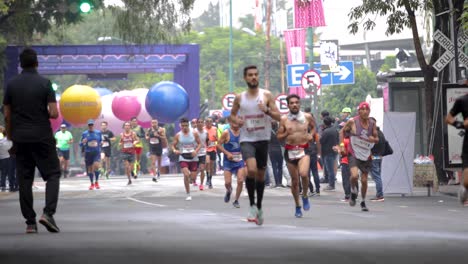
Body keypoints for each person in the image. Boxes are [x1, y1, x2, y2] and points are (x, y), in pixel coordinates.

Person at [3, 47, 61, 233]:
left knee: (25, 179)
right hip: (42, 136)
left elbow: (7, 115)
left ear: (20, 64)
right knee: (52, 175)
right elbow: (53, 112)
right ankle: (48, 214)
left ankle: (30, 223)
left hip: (20, 138)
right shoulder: (45, 83)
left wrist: (11, 139)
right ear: (37, 63)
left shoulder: (11, 85)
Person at [230, 65, 281, 225]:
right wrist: (236, 121)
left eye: (255, 75)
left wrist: (266, 110)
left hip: (263, 139)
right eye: (250, 75)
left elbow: (278, 116)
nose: (253, 77)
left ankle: (258, 206)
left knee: (260, 175)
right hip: (247, 139)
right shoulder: (240, 98)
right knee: (251, 169)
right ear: (245, 78)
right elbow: (231, 116)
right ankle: (252, 206)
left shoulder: (266, 95)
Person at [277, 94, 315, 218]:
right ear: (288, 105)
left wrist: (311, 135)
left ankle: (304, 195)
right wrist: (285, 133)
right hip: (290, 151)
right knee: (294, 181)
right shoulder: (283, 119)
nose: (294, 105)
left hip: (304, 149)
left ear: (299, 104)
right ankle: (297, 205)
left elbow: (313, 128)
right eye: (292, 103)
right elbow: (278, 137)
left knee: (304, 174)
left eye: (296, 102)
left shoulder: (307, 116)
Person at [340, 102, 379, 212]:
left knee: (364, 180)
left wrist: (373, 139)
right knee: (354, 176)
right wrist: (342, 146)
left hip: (366, 154)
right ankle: (353, 191)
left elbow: (377, 138)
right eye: (363, 109)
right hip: (353, 153)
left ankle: (363, 201)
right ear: (359, 111)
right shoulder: (352, 121)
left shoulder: (372, 124)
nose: (365, 111)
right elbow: (341, 132)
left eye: (367, 110)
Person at [217, 116, 246, 208]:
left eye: (237, 122)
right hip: (228, 161)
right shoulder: (226, 133)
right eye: (234, 122)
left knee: (240, 180)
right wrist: (227, 153)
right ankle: (229, 190)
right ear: (230, 123)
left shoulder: (243, 133)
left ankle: (236, 200)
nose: (236, 124)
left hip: (240, 160)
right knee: (227, 183)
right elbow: (218, 145)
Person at [445, 93, 468, 205]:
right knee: (467, 180)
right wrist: (462, 124)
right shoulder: (462, 100)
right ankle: (465, 186)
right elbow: (448, 119)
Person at [171, 117, 202, 201]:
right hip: (183, 157)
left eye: (186, 125)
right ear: (180, 126)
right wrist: (175, 150)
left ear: (188, 125)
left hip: (193, 157)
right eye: (183, 126)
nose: (184, 127)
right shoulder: (178, 135)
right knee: (186, 174)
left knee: (193, 178)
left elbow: (200, 144)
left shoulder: (194, 133)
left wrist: (196, 151)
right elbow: (173, 145)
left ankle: (192, 179)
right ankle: (188, 194)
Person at [80, 119, 102, 190]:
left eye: (91, 125)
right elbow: (80, 144)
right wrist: (83, 142)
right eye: (89, 125)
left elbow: (101, 141)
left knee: (96, 166)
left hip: (96, 152)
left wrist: (101, 143)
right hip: (88, 153)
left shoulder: (98, 133)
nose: (90, 126)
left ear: (93, 125)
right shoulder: (84, 133)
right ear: (88, 126)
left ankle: (97, 182)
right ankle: (92, 183)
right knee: (90, 169)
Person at [320, 116, 339, 191]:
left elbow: (321, 141)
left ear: (324, 123)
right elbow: (338, 139)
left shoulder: (326, 131)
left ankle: (331, 185)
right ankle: (330, 182)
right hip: (334, 151)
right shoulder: (335, 130)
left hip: (327, 152)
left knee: (329, 169)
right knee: (331, 168)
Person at [369, 117, 385, 202]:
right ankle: (379, 194)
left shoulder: (373, 134)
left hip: (374, 157)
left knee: (376, 176)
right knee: (378, 175)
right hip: (379, 157)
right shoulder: (381, 133)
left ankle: (380, 195)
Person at [194, 118, 207, 190]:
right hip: (195, 152)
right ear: (196, 123)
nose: (200, 123)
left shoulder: (206, 132)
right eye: (199, 122)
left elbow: (207, 142)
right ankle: (193, 178)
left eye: (202, 122)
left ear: (203, 124)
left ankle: (201, 184)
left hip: (202, 152)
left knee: (202, 169)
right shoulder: (194, 132)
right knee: (194, 169)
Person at [205, 117, 217, 189]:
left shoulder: (215, 128)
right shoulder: (203, 129)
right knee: (207, 163)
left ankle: (210, 180)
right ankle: (207, 177)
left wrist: (216, 138)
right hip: (206, 149)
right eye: (207, 121)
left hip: (213, 148)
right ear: (205, 122)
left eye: (210, 121)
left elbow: (217, 139)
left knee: (211, 166)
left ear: (212, 122)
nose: (209, 123)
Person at [0, 127, 13, 192]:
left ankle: (3, 185)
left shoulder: (1, 141)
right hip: (6, 158)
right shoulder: (8, 141)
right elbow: (10, 148)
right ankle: (10, 185)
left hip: (1, 158)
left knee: (3, 173)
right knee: (8, 172)